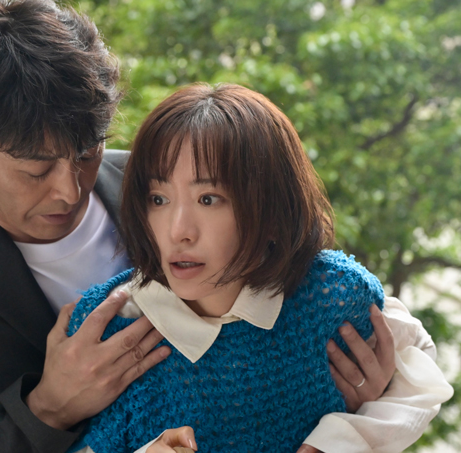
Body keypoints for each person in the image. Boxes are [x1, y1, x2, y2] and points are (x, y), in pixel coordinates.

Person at [0, 0, 418, 452]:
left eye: (87, 153)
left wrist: (362, 400)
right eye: (35, 169)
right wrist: (47, 408)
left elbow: (301, 291)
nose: (69, 189)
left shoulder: (165, 183)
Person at [66, 84, 454, 453]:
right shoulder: (113, 323)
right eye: (158, 198)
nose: (178, 231)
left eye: (208, 199)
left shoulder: (332, 293)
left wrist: (342, 439)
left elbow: (421, 375)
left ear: (271, 208)